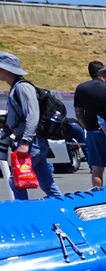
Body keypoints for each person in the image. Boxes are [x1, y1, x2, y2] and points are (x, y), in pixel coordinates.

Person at [0, 51, 61, 199]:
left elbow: (32, 115)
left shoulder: (22, 87)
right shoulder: (17, 87)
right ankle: (61, 206)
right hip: (34, 141)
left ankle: (23, 213)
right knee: (46, 182)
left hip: (31, 142)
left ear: (7, 70)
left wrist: (26, 141)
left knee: (16, 180)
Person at [74, 60, 106, 189]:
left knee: (97, 168)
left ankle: (98, 193)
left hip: (92, 130)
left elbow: (78, 112)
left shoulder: (81, 88)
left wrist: (85, 126)